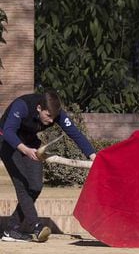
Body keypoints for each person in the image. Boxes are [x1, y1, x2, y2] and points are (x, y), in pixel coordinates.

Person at [0, 89, 96, 242]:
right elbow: (8, 131)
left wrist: (93, 156)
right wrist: (25, 149)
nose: (51, 121)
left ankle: (11, 229)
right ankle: (36, 226)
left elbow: (75, 133)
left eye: (54, 117)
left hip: (31, 143)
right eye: (48, 116)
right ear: (39, 108)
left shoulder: (55, 113)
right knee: (23, 185)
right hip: (7, 143)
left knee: (36, 186)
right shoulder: (22, 106)